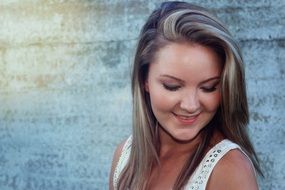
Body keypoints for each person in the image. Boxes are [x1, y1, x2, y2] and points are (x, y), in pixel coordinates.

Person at [109, 1, 262, 190]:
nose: (190, 105)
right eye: (172, 86)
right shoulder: (124, 157)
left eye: (209, 87)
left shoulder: (230, 169)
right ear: (144, 80)